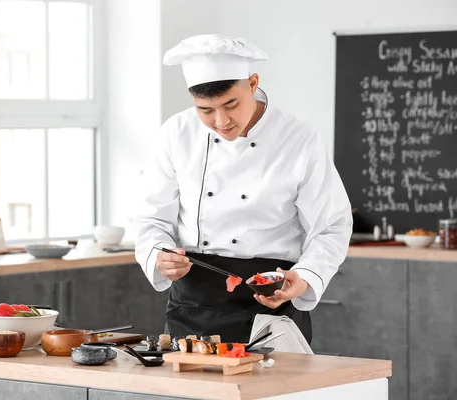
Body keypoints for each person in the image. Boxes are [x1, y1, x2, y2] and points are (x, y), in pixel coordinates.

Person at [132, 34, 352, 343]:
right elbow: (149, 218)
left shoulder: (298, 139)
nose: (221, 121)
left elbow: (332, 226)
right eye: (205, 110)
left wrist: (304, 279)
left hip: (272, 298)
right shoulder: (175, 134)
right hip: (193, 303)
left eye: (230, 104)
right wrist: (159, 254)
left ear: (252, 83)